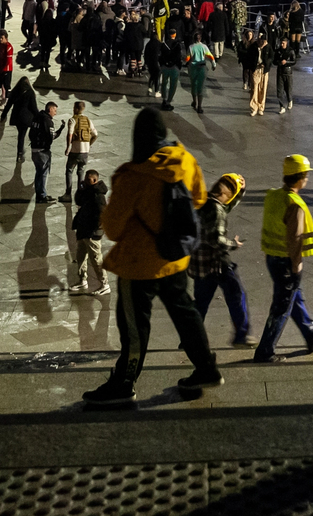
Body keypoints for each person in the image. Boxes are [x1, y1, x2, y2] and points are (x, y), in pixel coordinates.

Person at [83, 108, 223, 407]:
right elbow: (197, 199)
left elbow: (112, 228)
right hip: (174, 258)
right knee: (186, 313)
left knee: (134, 328)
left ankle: (124, 382)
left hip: (138, 266)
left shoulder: (133, 176)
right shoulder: (184, 160)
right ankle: (206, 368)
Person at [252, 152, 313, 363]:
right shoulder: (295, 203)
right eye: (306, 175)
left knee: (295, 298)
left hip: (272, 258)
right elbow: (295, 238)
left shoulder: (274, 195)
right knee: (281, 307)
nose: (307, 178)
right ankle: (265, 352)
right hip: (286, 263)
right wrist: (296, 264)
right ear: (300, 177)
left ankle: (312, 336)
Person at [192, 171, 251, 346]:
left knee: (200, 303)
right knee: (236, 295)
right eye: (231, 194)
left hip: (200, 264)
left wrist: (240, 191)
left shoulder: (203, 201)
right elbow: (216, 239)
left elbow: (226, 207)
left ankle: (190, 338)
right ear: (225, 194)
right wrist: (233, 244)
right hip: (218, 263)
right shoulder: (217, 210)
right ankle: (242, 335)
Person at [69, 167, 111, 296]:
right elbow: (78, 201)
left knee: (96, 259)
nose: (85, 181)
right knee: (80, 255)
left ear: (94, 180)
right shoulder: (87, 191)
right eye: (85, 179)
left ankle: (104, 284)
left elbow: (103, 214)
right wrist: (80, 189)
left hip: (92, 232)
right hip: (83, 229)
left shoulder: (98, 196)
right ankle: (82, 280)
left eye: (88, 179)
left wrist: (95, 229)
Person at [60, 103, 97, 202]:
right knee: (81, 173)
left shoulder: (73, 120)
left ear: (76, 109)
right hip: (85, 152)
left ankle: (68, 194)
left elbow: (70, 134)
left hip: (75, 151)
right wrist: (88, 144)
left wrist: (68, 147)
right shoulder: (88, 120)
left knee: (69, 171)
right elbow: (95, 134)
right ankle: (80, 195)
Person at [29, 102, 59, 203]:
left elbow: (31, 133)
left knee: (38, 172)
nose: (55, 113)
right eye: (55, 110)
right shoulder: (48, 121)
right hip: (43, 151)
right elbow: (51, 137)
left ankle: (39, 194)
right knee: (44, 173)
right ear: (50, 109)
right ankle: (42, 195)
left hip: (34, 149)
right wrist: (60, 130)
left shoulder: (37, 117)